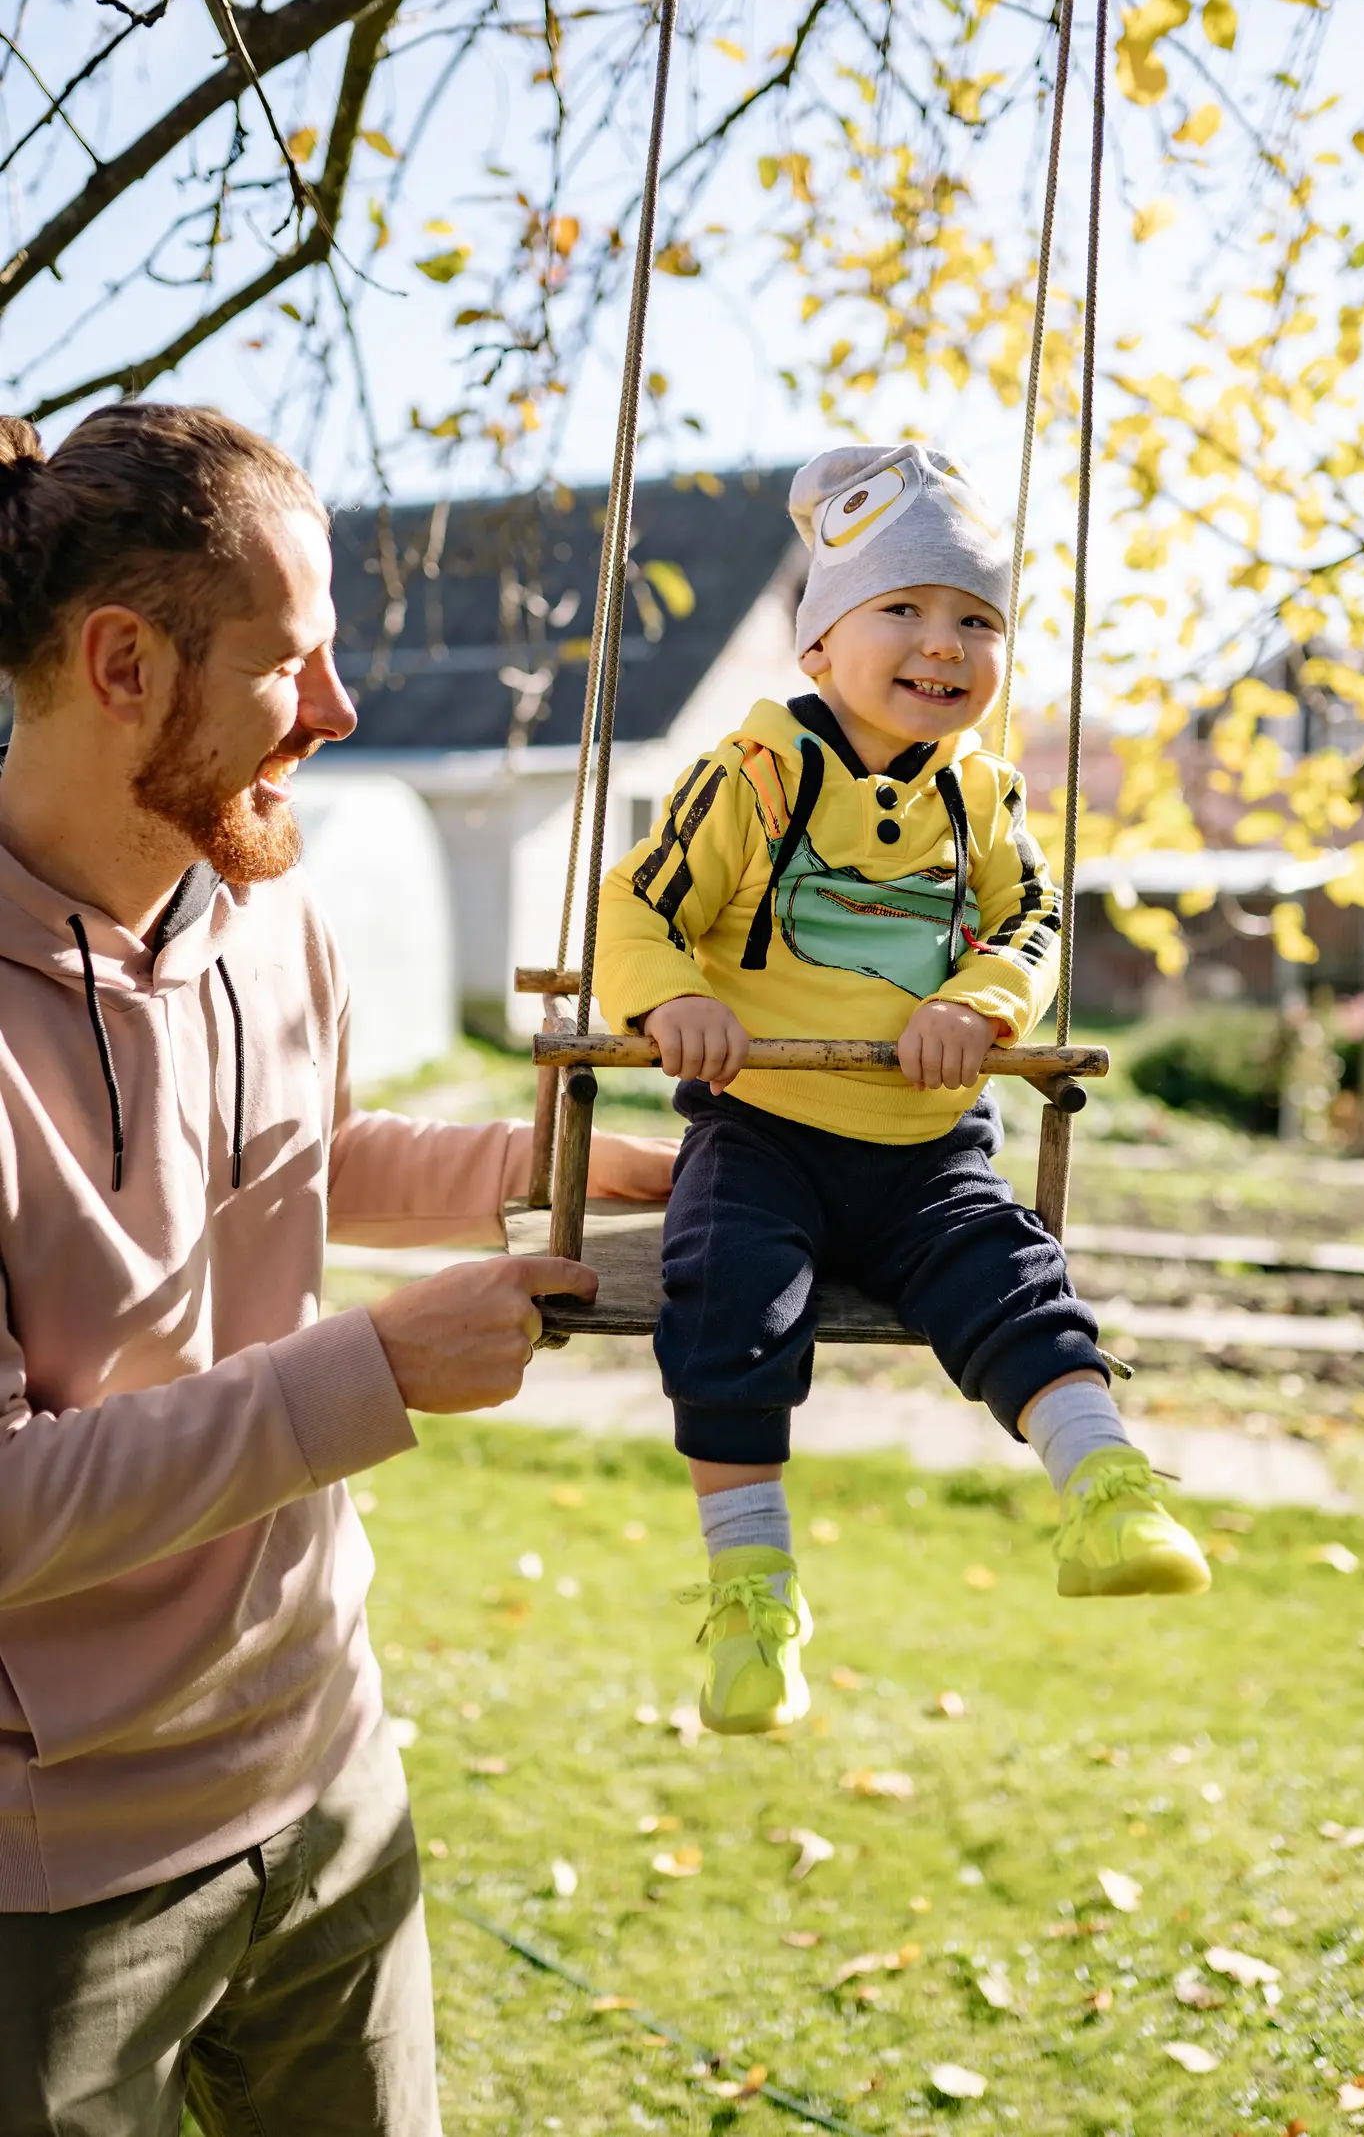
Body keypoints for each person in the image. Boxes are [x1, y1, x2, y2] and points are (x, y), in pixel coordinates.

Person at [0, 403, 674, 2136]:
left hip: (324, 1767)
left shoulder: (266, 906)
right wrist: (369, 1374)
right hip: (56, 1882)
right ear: (124, 662)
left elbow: (291, 1159)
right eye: (294, 660)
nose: (341, 708)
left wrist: (552, 1169)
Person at [597, 443, 1211, 1739]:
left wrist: (976, 1002)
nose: (945, 643)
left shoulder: (985, 796)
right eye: (905, 609)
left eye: (976, 619)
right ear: (820, 643)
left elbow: (1033, 925)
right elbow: (639, 911)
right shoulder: (756, 773)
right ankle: (751, 1590)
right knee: (726, 1299)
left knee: (1013, 1274)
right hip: (763, 1127)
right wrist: (675, 1004)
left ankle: (1107, 1489)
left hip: (928, 1143)